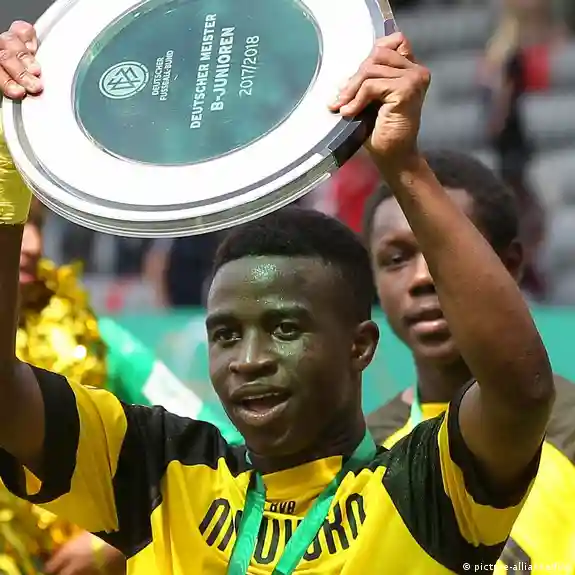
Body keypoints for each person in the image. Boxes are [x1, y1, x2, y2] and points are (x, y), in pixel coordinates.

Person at [0, 23, 555, 575]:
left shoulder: (423, 489)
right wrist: (7, 159)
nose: (249, 361)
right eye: (226, 335)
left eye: (285, 329)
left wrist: (402, 165)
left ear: (360, 346)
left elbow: (521, 392)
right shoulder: (159, 468)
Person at [0, 123, 238, 574]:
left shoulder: (98, 338)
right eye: (20, 224)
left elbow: (220, 444)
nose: (31, 246)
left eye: (38, 225)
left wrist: (110, 541)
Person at [364, 150, 575, 573]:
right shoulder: (364, 450)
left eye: (444, 252)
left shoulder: (569, 426)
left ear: (509, 265)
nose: (422, 278)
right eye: (396, 258)